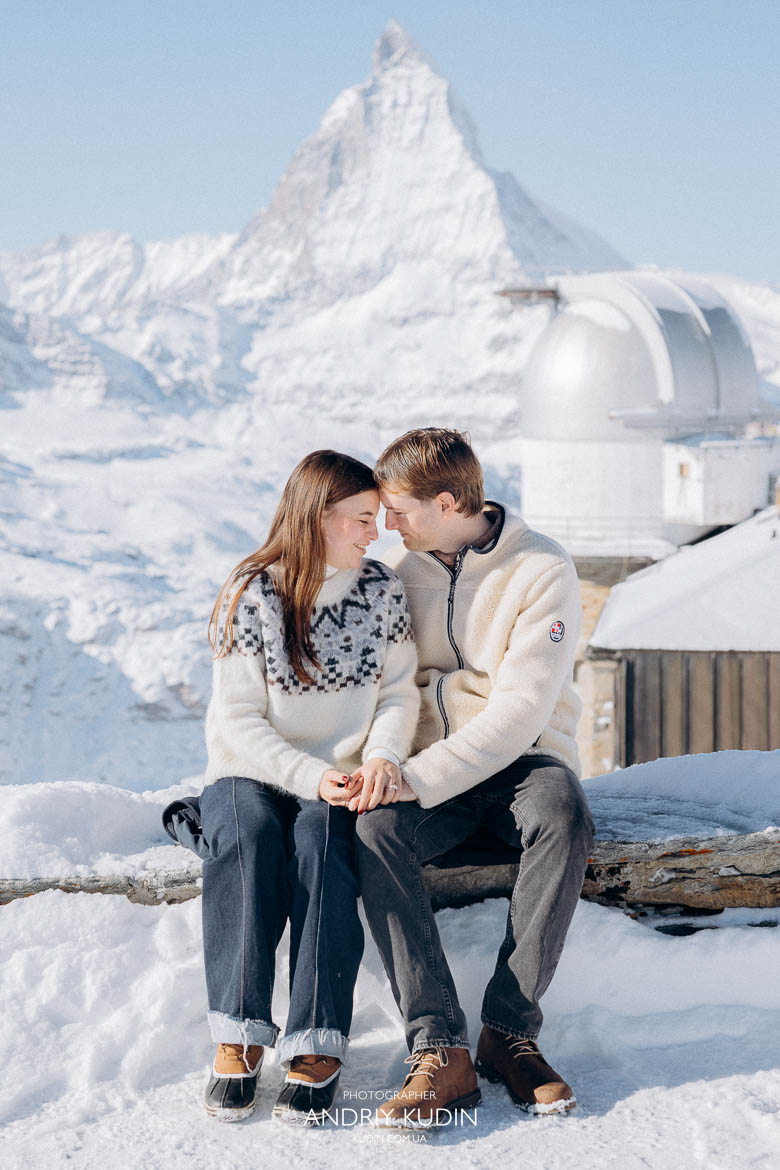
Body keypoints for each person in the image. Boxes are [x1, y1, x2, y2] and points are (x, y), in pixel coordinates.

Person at [165, 450, 419, 1125]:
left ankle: (316, 1040)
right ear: (319, 519)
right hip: (252, 769)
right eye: (362, 519)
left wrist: (384, 756)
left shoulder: (381, 592)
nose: (376, 532)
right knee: (247, 836)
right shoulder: (253, 592)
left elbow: (397, 693)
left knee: (323, 838)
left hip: (338, 775)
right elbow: (238, 721)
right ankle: (238, 1033)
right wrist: (310, 773)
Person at [353, 427, 595, 1128]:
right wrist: (384, 770)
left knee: (565, 813)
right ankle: (440, 1050)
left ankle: (509, 1034)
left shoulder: (542, 569)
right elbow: (384, 690)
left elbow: (521, 712)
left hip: (524, 761)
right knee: (373, 830)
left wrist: (416, 779)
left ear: (450, 502)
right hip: (434, 768)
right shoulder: (404, 573)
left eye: (398, 510)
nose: (386, 525)